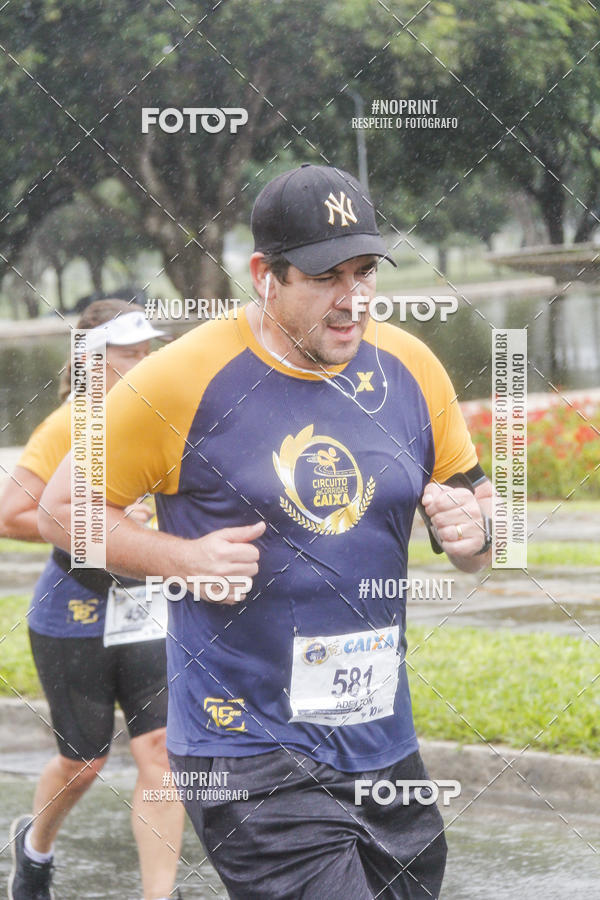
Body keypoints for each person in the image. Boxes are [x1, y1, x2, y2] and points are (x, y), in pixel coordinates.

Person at [40, 165, 493, 899]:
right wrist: (179, 557)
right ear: (265, 275)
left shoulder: (412, 366)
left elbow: (480, 511)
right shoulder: (180, 379)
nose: (354, 300)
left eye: (365, 271)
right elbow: (63, 507)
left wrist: (478, 538)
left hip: (381, 739)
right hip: (244, 748)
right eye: (325, 277)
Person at [1, 300, 185, 900]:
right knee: (84, 764)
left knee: (161, 753)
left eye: (147, 349)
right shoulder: (67, 425)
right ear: (92, 362)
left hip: (148, 608)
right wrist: (97, 525)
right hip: (74, 610)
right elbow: (10, 515)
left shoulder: (162, 417)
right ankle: (34, 846)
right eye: (129, 352)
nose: (145, 360)